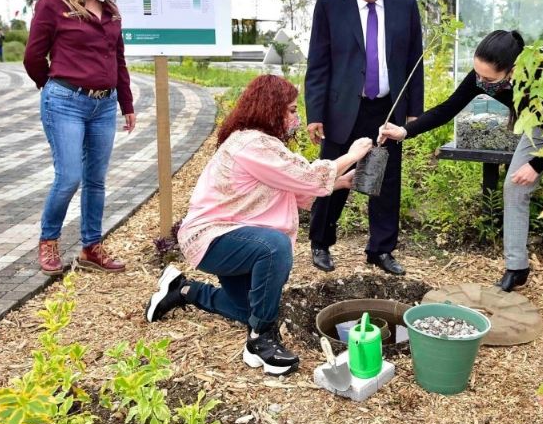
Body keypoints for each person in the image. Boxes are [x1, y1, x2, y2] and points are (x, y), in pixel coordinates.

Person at [145, 75, 373, 376]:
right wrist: (352, 155)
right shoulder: (252, 143)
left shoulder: (262, 143)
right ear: (271, 108)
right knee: (274, 247)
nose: (296, 117)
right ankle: (260, 341)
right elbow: (304, 175)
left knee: (247, 310)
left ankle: (183, 289)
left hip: (236, 238)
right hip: (213, 236)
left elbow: (292, 185)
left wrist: (339, 182)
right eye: (291, 110)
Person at [378, 30, 543, 322]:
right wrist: (405, 131)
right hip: (541, 125)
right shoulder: (482, 77)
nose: (481, 82)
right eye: (477, 74)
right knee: (513, 188)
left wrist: (536, 165)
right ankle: (516, 267)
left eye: (488, 79)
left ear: (512, 70)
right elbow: (449, 108)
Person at [304, 0, 424, 276]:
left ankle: (381, 250)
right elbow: (318, 64)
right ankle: (321, 243)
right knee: (333, 175)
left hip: (387, 108)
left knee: (386, 182)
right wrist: (315, 113)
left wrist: (414, 111)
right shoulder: (330, 5)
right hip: (343, 108)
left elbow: (415, 61)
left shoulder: (406, 5)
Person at [24, 0, 136, 276]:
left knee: (96, 180)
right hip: (65, 103)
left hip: (104, 105)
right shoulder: (53, 5)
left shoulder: (112, 11)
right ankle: (49, 240)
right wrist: (54, 85)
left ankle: (91, 247)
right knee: (69, 176)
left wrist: (126, 103)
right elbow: (33, 56)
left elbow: (119, 60)